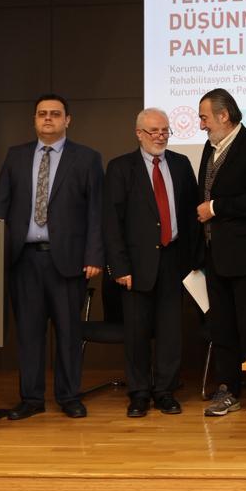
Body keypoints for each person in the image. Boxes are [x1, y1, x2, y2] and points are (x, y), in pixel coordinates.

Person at [0, 94, 105, 419]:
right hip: (24, 260)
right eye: (42, 113)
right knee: (28, 334)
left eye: (55, 114)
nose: (48, 118)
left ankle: (69, 396)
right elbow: (0, 208)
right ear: (34, 119)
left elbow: (96, 212)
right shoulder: (15, 156)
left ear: (67, 120)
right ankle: (31, 399)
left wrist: (94, 255)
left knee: (69, 333)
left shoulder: (86, 158)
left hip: (68, 261)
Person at [103, 107, 200, 418]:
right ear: (139, 134)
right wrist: (119, 267)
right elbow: (111, 222)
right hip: (135, 265)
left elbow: (191, 215)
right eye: (153, 131)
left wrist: (194, 259)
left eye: (164, 130)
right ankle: (139, 393)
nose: (160, 136)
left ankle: (165, 391)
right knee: (137, 333)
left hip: (174, 260)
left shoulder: (181, 164)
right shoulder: (120, 168)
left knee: (171, 333)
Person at [196, 88, 246, 416]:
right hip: (215, 256)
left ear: (223, 115)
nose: (201, 124)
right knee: (222, 327)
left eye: (204, 117)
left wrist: (214, 207)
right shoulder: (210, 146)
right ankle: (228, 389)